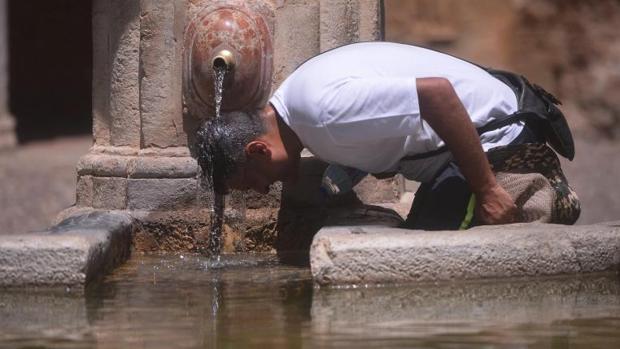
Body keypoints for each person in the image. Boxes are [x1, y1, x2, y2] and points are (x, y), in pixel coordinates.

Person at [195, 42, 580, 230]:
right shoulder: (295, 104)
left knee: (432, 255)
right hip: (466, 143)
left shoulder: (323, 115)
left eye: (251, 182)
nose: (262, 191)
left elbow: (438, 95)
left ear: (259, 149)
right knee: (423, 236)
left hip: (502, 137)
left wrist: (488, 191)